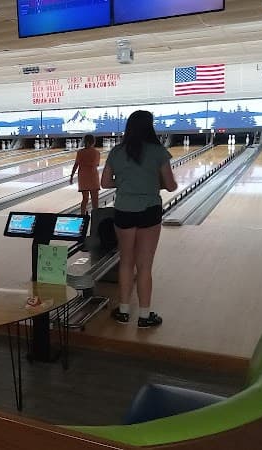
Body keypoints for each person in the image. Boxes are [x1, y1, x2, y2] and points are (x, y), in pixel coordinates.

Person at [100, 110, 177, 329]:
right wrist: (151, 184)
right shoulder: (158, 152)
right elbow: (171, 186)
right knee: (145, 266)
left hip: (123, 210)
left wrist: (126, 184)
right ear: (150, 127)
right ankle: (144, 315)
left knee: (126, 263)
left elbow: (105, 183)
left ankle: (123, 312)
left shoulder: (117, 151)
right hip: (149, 212)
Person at [69, 134, 101, 216]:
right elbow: (97, 164)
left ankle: (82, 216)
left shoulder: (80, 152)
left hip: (83, 177)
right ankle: (96, 217)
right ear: (93, 142)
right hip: (93, 177)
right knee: (95, 200)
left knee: (85, 199)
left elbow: (76, 165)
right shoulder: (97, 153)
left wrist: (71, 176)